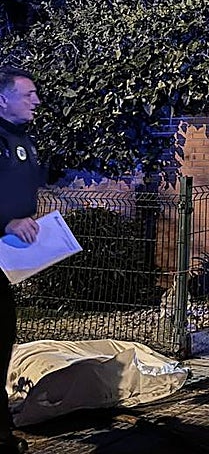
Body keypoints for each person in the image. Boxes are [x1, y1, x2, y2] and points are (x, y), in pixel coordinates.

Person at [0, 67, 45, 454]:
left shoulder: (21, 139)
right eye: (28, 94)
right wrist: (7, 221)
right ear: (3, 98)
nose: (36, 101)